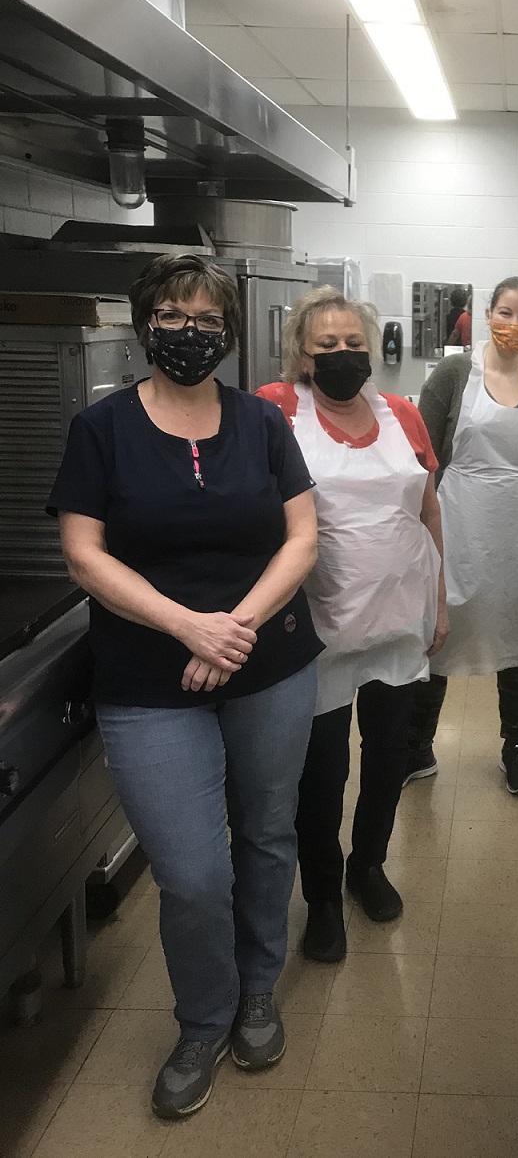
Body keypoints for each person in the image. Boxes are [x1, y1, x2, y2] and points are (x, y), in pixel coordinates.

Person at [48, 254, 323, 1120]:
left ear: (229, 330)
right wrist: (185, 624)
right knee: (194, 871)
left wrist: (231, 627)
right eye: (171, 314)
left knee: (268, 836)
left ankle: (254, 993)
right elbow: (83, 553)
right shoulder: (101, 430)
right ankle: (202, 1019)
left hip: (268, 665)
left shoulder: (261, 423)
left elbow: (302, 538)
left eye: (206, 317)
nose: (188, 330)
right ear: (143, 325)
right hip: (146, 680)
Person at [257, 286, 447, 963]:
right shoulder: (277, 410)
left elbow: (428, 511)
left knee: (391, 757)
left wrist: (441, 599)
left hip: (399, 619)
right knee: (322, 771)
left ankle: (367, 866)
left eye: (354, 344)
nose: (343, 355)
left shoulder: (401, 414)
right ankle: (322, 899)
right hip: (320, 627)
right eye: (327, 346)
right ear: (303, 358)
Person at [405, 276, 518, 794]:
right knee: (441, 631)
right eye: (505, 313)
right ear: (487, 315)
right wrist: (415, 535)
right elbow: (423, 461)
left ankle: (515, 746)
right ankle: (419, 746)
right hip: (458, 525)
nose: (514, 325)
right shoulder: (455, 374)